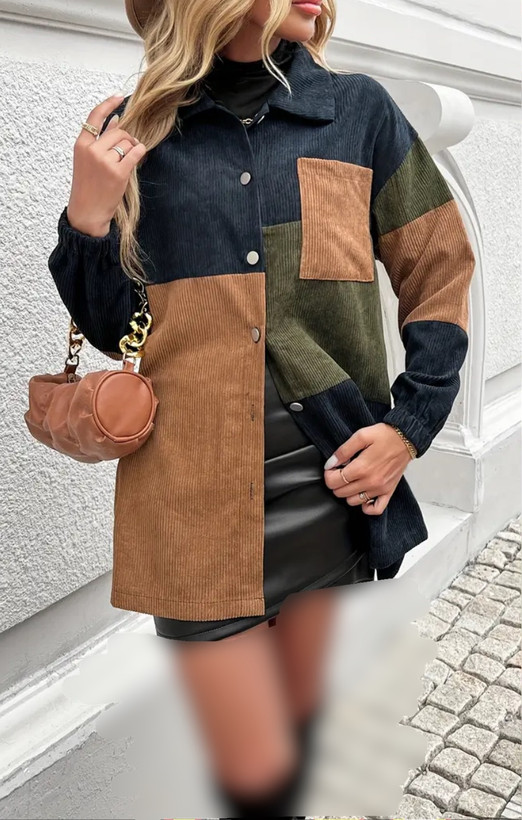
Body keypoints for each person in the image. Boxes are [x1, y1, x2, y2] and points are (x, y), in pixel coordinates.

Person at [46, 0, 476, 815]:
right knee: (256, 777)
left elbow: (441, 270)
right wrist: (89, 215)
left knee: (294, 743)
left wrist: (409, 428)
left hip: (332, 484)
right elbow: (115, 329)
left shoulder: (358, 113)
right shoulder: (139, 133)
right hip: (191, 500)